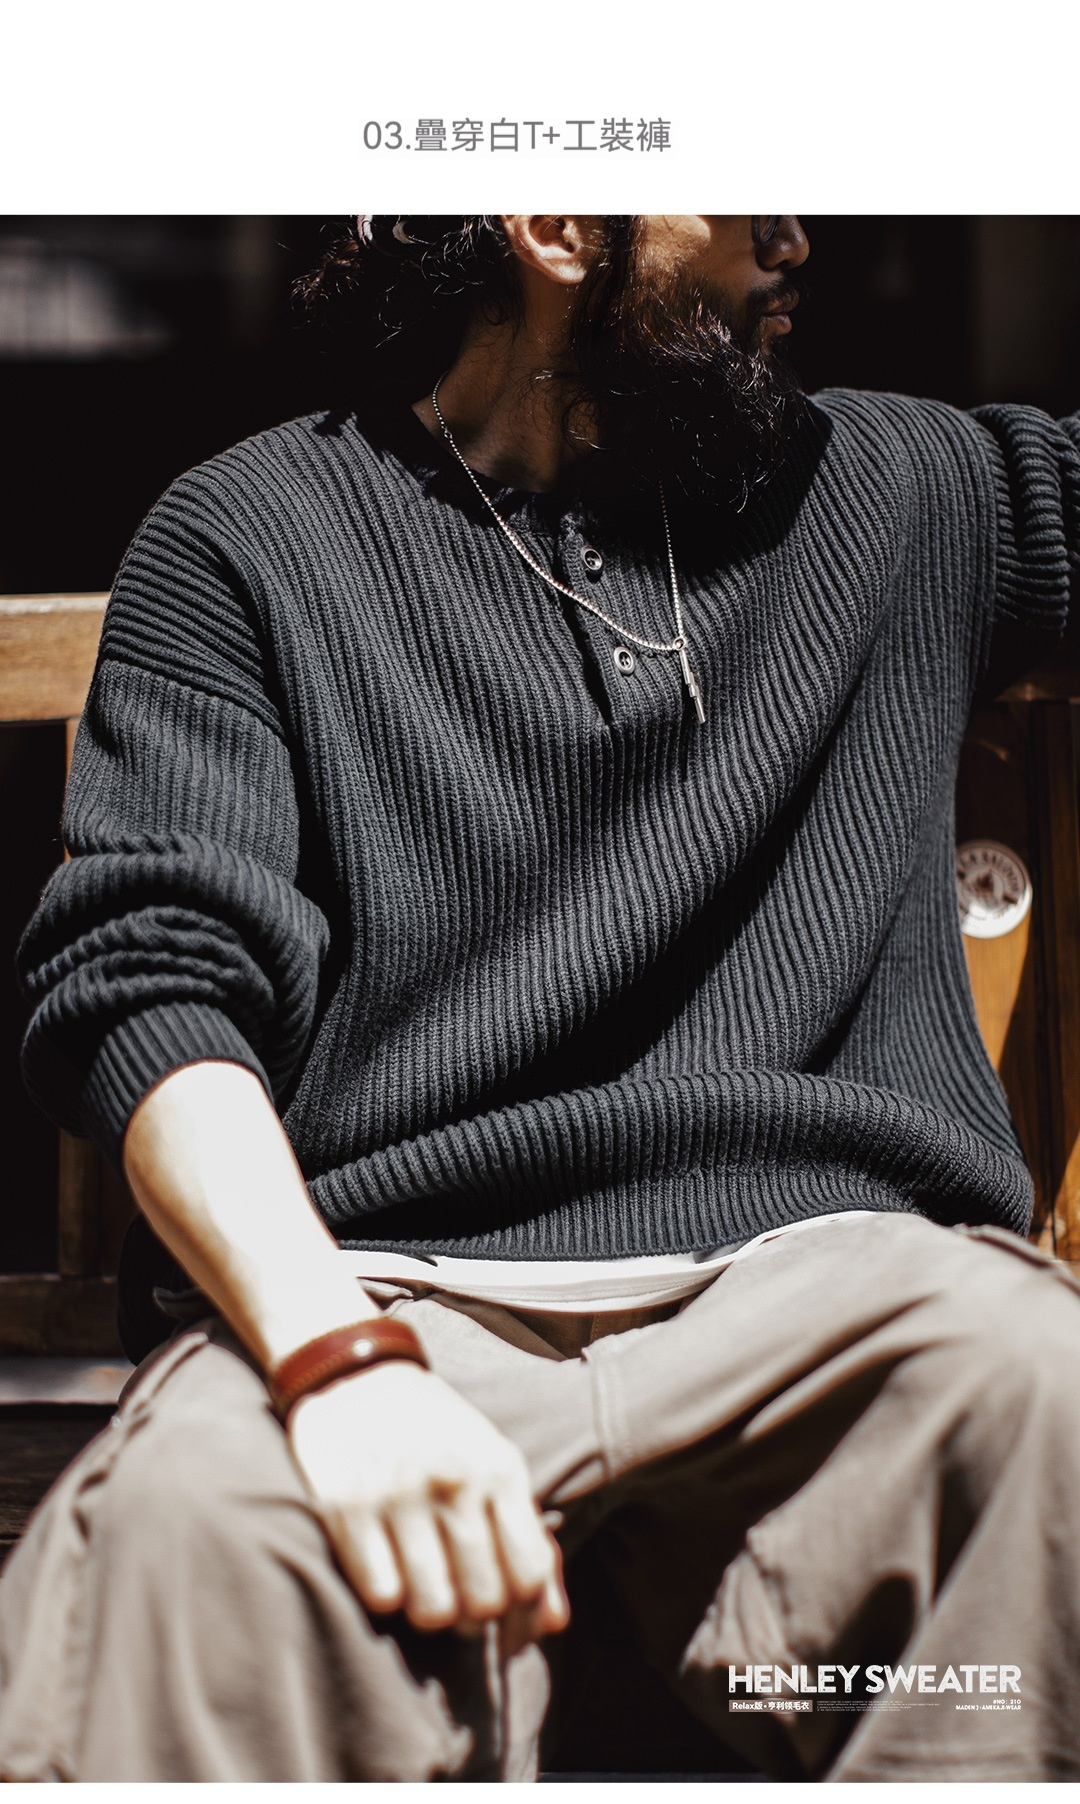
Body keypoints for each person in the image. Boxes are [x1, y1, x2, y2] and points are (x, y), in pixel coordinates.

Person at [2, 214, 1080, 1783]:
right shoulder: (246, 536)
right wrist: (330, 1358)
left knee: (1041, 1389)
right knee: (191, 1526)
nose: (797, 238)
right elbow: (152, 991)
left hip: (838, 1287)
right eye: (751, 190)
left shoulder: (909, 489)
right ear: (560, 227)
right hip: (386, 1290)